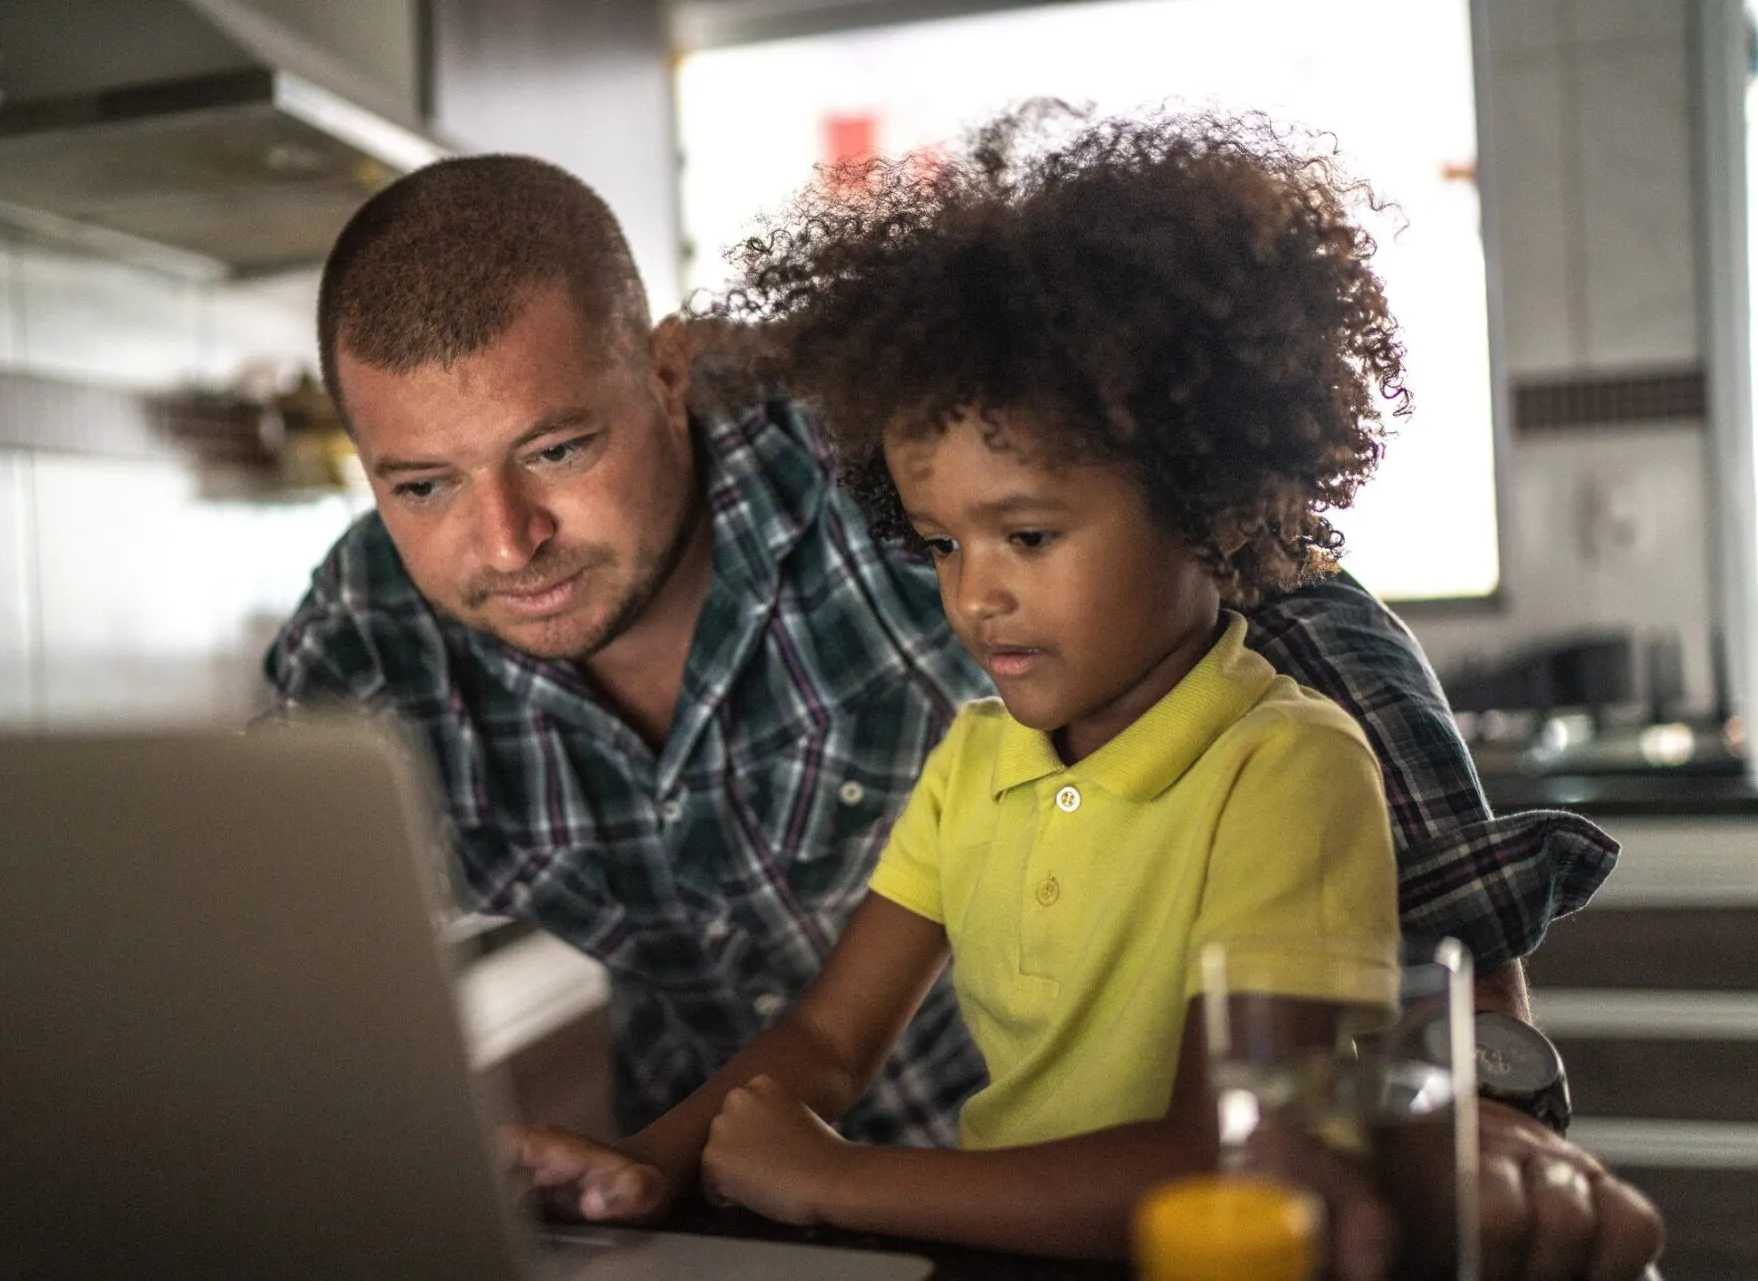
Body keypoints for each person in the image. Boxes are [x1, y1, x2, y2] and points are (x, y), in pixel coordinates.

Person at [265, 133, 1663, 1277]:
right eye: (422, 485)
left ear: (670, 373)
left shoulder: (884, 422)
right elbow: (256, 997)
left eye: (559, 448)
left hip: (1018, 1210)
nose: (505, 541)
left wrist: (1476, 1093)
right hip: (743, 1219)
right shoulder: (362, 644)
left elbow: (1291, 600)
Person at [512, 104, 1408, 1264]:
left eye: (1028, 537)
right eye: (940, 544)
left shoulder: (1283, 771)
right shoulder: (977, 760)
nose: (973, 595)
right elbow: (829, 1043)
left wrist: (841, 1181)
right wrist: (648, 1161)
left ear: (1209, 498)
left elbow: (1227, 1157)